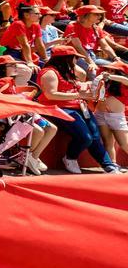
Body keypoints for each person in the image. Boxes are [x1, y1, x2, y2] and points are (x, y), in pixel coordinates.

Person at [35, 45, 121, 174]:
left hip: (78, 107)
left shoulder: (67, 71)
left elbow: (81, 76)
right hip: (59, 108)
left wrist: (87, 87)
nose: (76, 61)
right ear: (66, 59)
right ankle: (70, 158)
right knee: (85, 137)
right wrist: (79, 94)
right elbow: (51, 94)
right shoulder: (50, 72)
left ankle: (108, 165)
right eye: (74, 58)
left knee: (95, 136)